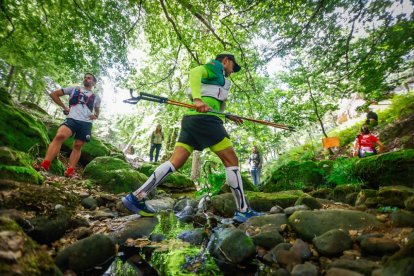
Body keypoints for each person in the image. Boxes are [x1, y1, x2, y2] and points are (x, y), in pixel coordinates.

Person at [122, 52, 262, 223]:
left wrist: (226, 116)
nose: (233, 70)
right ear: (226, 61)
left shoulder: (220, 79)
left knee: (175, 162)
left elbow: (211, 102)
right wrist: (197, 99)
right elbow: (195, 72)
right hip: (206, 121)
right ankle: (243, 210)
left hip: (191, 120)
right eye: (233, 66)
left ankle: (136, 196)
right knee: (231, 161)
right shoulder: (216, 67)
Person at [35, 73, 101, 177]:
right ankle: (45, 165)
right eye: (85, 77)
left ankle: (70, 171)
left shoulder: (96, 97)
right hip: (71, 119)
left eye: (89, 78)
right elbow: (53, 94)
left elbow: (97, 110)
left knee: (78, 146)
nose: (86, 79)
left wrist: (96, 115)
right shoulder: (74, 89)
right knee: (59, 136)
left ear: (94, 82)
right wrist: (64, 107)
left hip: (86, 123)